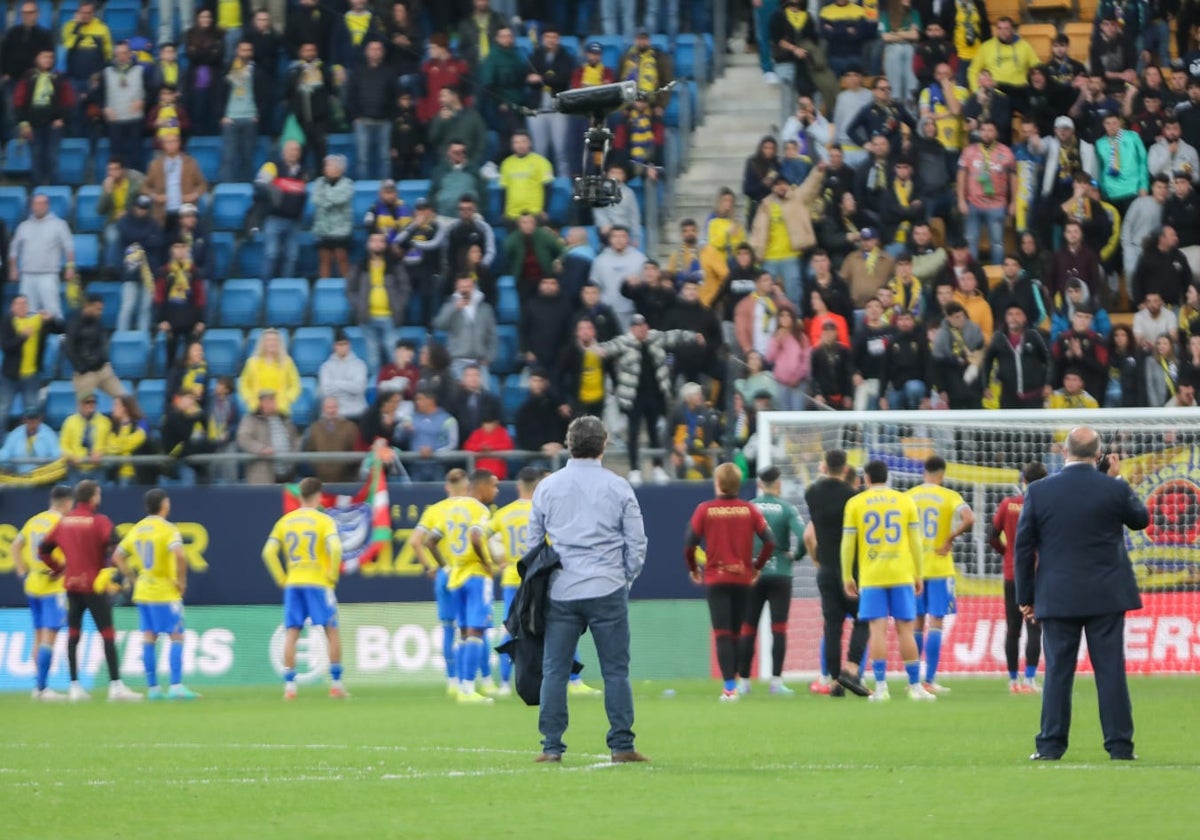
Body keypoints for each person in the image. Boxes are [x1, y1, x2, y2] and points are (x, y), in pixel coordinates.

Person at [1015, 426, 1149, 760]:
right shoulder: (1111, 488)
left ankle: (1050, 745)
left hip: (1057, 595)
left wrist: (1025, 598)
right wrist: (1118, 480)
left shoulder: (1040, 491)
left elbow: (1023, 548)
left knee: (1058, 673)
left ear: (1065, 452)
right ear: (1100, 455)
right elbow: (1141, 519)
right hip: (1106, 594)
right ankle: (1120, 746)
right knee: (1110, 672)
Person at [529, 416, 647, 762]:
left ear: (568, 444)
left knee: (554, 670)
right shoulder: (618, 486)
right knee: (616, 670)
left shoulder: (548, 487)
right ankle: (622, 745)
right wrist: (625, 577)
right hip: (607, 586)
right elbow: (636, 542)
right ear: (604, 444)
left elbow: (534, 544)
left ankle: (551, 747)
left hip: (562, 588)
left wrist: (545, 581)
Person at [38, 480, 142, 702]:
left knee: (74, 634)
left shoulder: (63, 522)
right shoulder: (100, 521)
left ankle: (74, 686)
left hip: (71, 586)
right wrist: (109, 570)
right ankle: (115, 686)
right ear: (94, 497)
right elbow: (115, 545)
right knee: (107, 634)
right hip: (93, 585)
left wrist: (59, 569)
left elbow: (44, 550)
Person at [841, 460, 934, 702]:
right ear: (888, 477)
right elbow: (916, 542)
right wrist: (919, 574)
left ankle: (881, 688)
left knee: (877, 631)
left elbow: (848, 543)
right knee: (906, 629)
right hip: (901, 574)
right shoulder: (905, 501)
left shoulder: (855, 503)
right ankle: (915, 687)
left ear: (866, 478)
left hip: (872, 576)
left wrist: (847, 576)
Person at [685, 462, 775, 701]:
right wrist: (756, 568)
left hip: (716, 579)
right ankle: (735, 682)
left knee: (722, 634)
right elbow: (770, 542)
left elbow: (689, 543)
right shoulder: (750, 510)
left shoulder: (705, 509)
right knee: (737, 633)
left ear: (718, 483)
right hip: (742, 578)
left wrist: (694, 569)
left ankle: (729, 688)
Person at [262, 477, 347, 701]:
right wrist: (333, 574)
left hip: (294, 582)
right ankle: (336, 685)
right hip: (318, 582)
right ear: (319, 496)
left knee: (292, 632)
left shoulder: (285, 521)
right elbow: (336, 548)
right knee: (331, 630)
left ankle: (290, 688)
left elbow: (268, 552)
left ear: (300, 496)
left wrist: (282, 578)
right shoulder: (323, 520)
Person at [112, 489, 197, 700]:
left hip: (143, 590)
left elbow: (117, 556)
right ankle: (176, 686)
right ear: (164, 505)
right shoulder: (168, 529)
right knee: (176, 636)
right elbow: (179, 555)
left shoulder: (138, 528)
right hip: (165, 590)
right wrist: (182, 581)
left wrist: (133, 579)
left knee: (149, 637)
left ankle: (153, 689)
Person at [905, 456, 974, 695]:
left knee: (916, 622)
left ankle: (912, 681)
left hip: (914, 569)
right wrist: (950, 538)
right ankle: (929, 680)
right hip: (940, 567)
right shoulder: (950, 496)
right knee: (936, 623)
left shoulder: (909, 496)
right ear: (942, 474)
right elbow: (969, 518)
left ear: (924, 472)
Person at [734, 466, 805, 696]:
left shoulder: (748, 507)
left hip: (754, 574)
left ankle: (743, 682)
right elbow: (804, 535)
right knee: (779, 629)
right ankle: (776, 682)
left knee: (748, 629)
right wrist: (798, 555)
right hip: (781, 574)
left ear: (759, 484)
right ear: (778, 484)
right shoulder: (787, 508)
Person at [433, 469, 499, 703]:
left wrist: (446, 566)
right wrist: (486, 562)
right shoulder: (479, 509)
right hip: (475, 576)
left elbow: (431, 540)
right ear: (480, 487)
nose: (496, 491)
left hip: (455, 576)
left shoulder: (449, 508)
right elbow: (474, 536)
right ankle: (469, 689)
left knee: (463, 633)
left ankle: (461, 685)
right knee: (476, 632)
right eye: (493, 485)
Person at [988, 461, 1047, 694]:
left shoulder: (1008, 504)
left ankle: (1013, 681)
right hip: (1038, 573)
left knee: (1013, 628)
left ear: (1023, 480)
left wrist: (1007, 554)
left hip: (1012, 574)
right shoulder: (1045, 506)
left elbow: (992, 536)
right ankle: (1030, 680)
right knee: (1035, 626)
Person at [12, 485, 75, 701]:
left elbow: (16, 546)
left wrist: (22, 571)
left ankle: (37, 685)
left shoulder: (35, 520)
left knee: (38, 636)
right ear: (67, 502)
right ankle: (42, 688)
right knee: (50, 636)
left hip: (33, 583)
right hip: (51, 583)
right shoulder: (62, 523)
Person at [7, 193, 75, 320]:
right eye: (36, 203)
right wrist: (13, 268)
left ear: (47, 205)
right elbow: (14, 249)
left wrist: (70, 267)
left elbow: (68, 247)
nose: (39, 206)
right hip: (27, 275)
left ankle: (60, 338)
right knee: (26, 314)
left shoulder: (59, 225)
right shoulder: (24, 226)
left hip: (48, 275)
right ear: (32, 206)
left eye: (42, 203)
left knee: (53, 310)